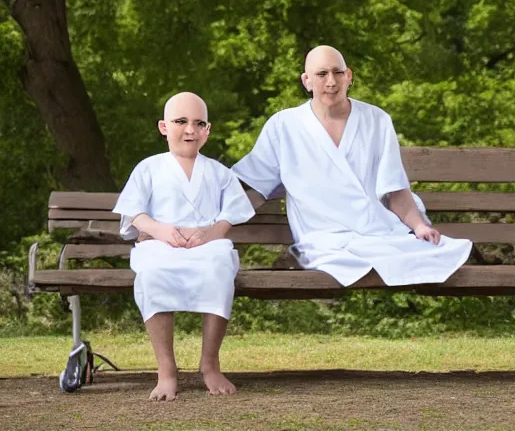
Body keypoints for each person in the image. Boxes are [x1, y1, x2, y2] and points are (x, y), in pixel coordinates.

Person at [232, 45, 472, 290]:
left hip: (377, 231)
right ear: (307, 81)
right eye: (321, 74)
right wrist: (211, 223)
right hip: (322, 238)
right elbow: (253, 184)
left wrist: (420, 226)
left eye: (338, 72)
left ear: (349, 76)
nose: (331, 82)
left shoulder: (377, 120)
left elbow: (395, 189)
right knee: (349, 260)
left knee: (431, 253)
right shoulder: (284, 126)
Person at [113, 92, 256, 401]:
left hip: (206, 245)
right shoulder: (148, 168)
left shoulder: (219, 172)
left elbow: (231, 214)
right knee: (151, 272)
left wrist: (210, 233)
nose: (189, 130)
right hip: (160, 243)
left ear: (207, 130)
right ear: (164, 127)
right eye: (181, 121)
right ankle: (166, 371)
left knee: (220, 266)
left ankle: (210, 364)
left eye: (198, 123)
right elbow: (135, 213)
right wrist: (159, 230)